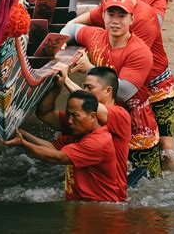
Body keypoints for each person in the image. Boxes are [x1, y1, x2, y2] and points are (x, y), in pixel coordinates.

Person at [68, 0, 174, 168]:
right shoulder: (109, 7)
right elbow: (75, 26)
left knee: (165, 146)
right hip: (121, 85)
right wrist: (63, 32)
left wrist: (88, 68)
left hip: (151, 85)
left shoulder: (142, 26)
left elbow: (125, 86)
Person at [61, 0, 162, 178]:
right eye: (111, 15)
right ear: (103, 17)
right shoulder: (95, 36)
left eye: (121, 16)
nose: (115, 21)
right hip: (105, 122)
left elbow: (123, 91)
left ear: (132, 19)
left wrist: (89, 69)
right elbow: (72, 29)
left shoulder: (139, 52)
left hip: (138, 130)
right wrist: (60, 43)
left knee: (147, 192)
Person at [2, 90, 119, 202]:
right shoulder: (80, 134)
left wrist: (23, 144)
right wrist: (22, 134)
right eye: (68, 115)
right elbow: (52, 148)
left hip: (99, 211)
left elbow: (57, 157)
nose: (69, 121)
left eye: (75, 115)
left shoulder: (98, 142)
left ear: (92, 116)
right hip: (84, 206)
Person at [36, 64, 131, 200]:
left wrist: (66, 80)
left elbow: (93, 106)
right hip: (81, 200)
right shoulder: (77, 120)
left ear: (108, 91)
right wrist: (57, 87)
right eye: (84, 86)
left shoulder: (120, 115)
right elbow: (44, 113)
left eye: (89, 88)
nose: (85, 90)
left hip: (109, 201)